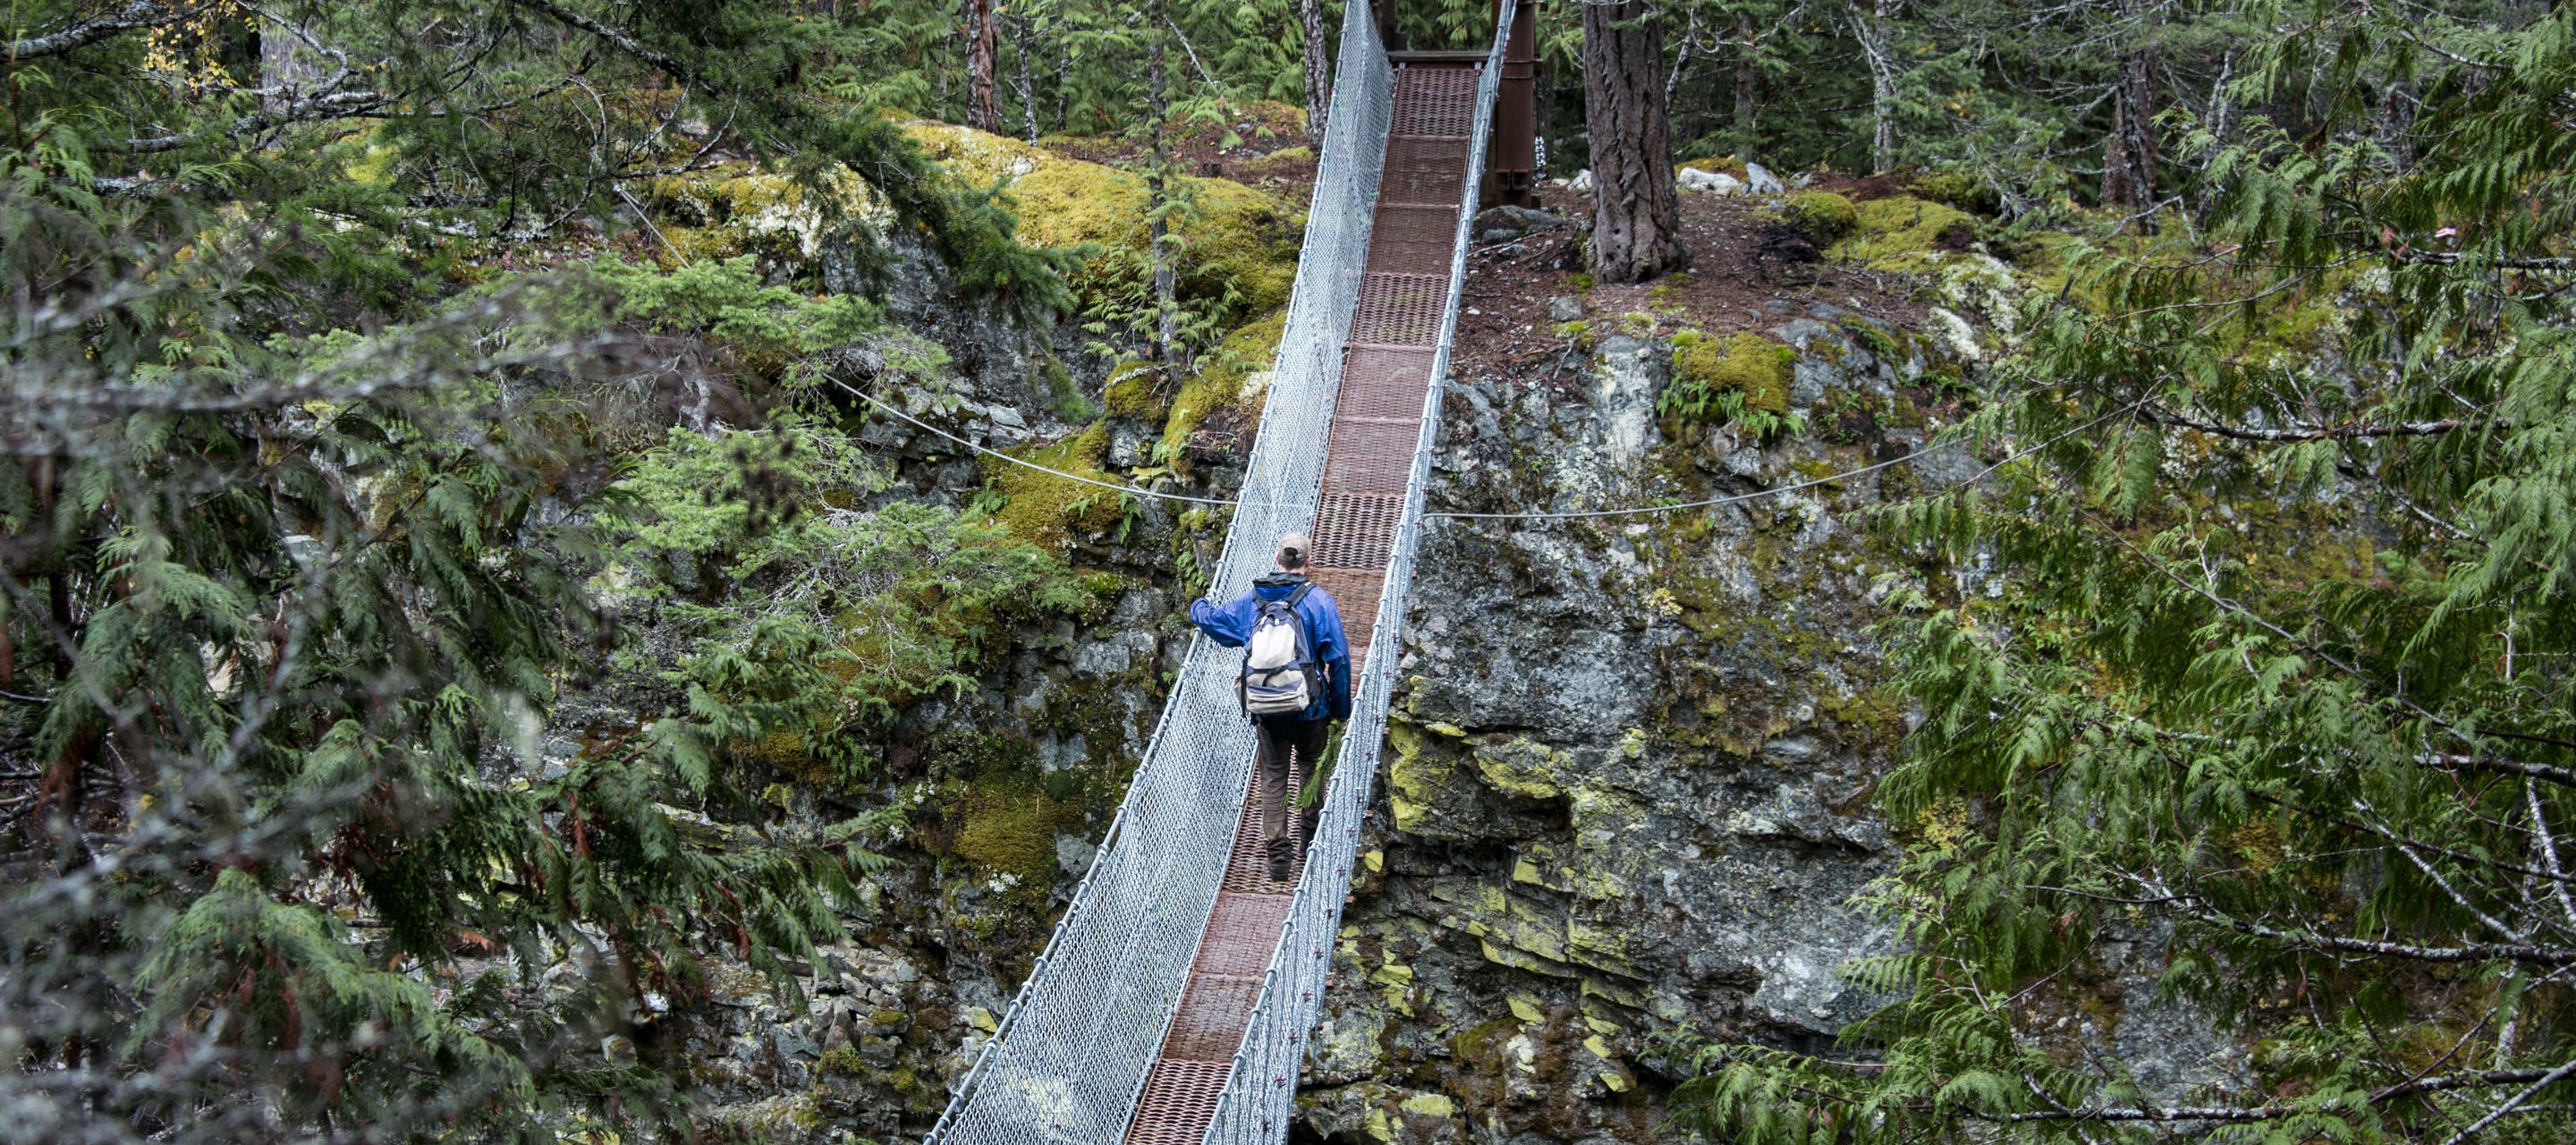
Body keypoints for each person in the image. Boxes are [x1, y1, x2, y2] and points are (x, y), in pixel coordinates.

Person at [1189, 531, 1352, 881]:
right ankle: (1309, 840)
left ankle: (1278, 858)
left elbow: (1215, 623)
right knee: (1311, 771)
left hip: (1266, 710)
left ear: (1277, 560)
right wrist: (1341, 711)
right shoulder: (1320, 602)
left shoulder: (1254, 600)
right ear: (1308, 563)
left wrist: (1198, 605)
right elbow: (1338, 660)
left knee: (1274, 778)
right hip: (1311, 711)